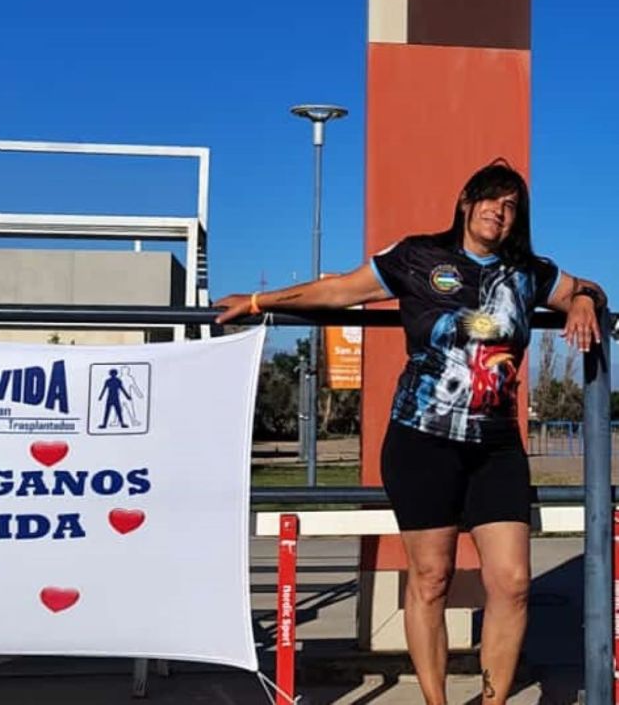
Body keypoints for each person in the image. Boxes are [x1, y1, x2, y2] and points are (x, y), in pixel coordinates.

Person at [216, 161, 606, 705]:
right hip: (422, 442)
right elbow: (340, 291)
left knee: (514, 582)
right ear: (466, 201)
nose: (499, 212)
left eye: (511, 206)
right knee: (431, 577)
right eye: (490, 199)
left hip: (495, 447)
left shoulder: (527, 272)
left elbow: (587, 289)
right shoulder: (417, 256)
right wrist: (260, 302)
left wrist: (584, 300)